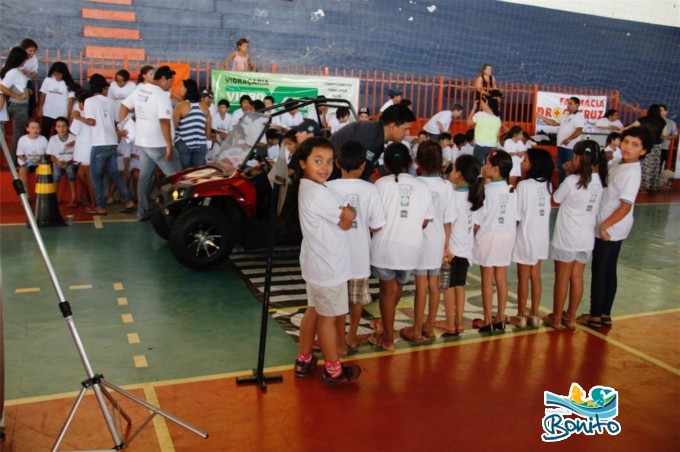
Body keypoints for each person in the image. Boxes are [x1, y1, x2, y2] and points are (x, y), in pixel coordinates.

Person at [293, 137, 362, 384]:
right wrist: (349, 213)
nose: (325, 167)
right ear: (303, 162)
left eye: (329, 161)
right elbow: (345, 221)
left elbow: (347, 212)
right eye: (317, 161)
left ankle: (304, 358)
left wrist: (349, 211)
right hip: (329, 266)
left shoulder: (313, 188)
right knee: (329, 318)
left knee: (314, 310)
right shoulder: (319, 195)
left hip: (317, 263)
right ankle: (333, 369)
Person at [579, 127, 650, 329]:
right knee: (608, 270)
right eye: (626, 141)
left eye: (635, 145)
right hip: (609, 225)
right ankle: (604, 314)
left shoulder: (632, 172)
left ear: (643, 151)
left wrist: (604, 226)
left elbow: (625, 206)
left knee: (601, 270)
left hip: (611, 227)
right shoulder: (619, 162)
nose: (627, 147)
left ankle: (595, 316)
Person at [369, 143, 432, 351]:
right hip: (411, 248)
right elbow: (425, 222)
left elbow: (374, 220)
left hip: (384, 247)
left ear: (386, 164)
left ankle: (387, 339)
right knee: (398, 286)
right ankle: (385, 327)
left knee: (387, 291)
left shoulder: (380, 185)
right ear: (410, 163)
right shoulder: (423, 187)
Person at [326, 140, 386, 354]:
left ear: (337, 164)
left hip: (335, 256)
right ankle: (351, 337)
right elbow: (377, 225)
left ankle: (338, 340)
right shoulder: (370, 189)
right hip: (360, 255)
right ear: (362, 166)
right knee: (357, 300)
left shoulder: (328, 187)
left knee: (338, 300)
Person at [545, 140, 607, 330]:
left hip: (567, 237)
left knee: (562, 278)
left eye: (575, 155)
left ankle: (556, 318)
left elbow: (556, 198)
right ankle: (570, 319)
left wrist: (569, 174)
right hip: (585, 238)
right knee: (577, 277)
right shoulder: (601, 181)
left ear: (580, 158)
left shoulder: (572, 181)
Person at [401, 140, 453, 342]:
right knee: (435, 284)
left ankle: (416, 329)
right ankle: (429, 327)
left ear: (417, 161)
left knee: (421, 284)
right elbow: (448, 221)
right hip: (439, 239)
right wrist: (446, 246)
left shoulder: (416, 184)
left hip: (420, 238)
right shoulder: (446, 186)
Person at [120, 66, 181, 221]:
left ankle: (143, 211)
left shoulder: (140, 90)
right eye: (170, 81)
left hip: (143, 142)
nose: (171, 85)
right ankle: (179, 212)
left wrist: (121, 126)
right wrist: (169, 144)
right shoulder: (161, 95)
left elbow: (124, 106)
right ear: (162, 79)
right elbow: (164, 121)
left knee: (144, 177)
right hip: (158, 144)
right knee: (177, 177)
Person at [434, 155, 483, 336]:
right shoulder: (474, 196)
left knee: (447, 286)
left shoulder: (453, 195)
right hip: (465, 249)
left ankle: (449, 322)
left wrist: (445, 247)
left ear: (459, 174)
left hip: (451, 249)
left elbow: (448, 223)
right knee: (460, 285)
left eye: (454, 169)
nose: (451, 172)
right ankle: (459, 322)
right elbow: (476, 225)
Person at [74, 74, 135, 216]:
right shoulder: (111, 102)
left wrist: (78, 117)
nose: (108, 90)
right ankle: (128, 200)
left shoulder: (89, 101)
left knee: (95, 176)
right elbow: (115, 123)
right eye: (107, 87)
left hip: (99, 143)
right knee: (115, 174)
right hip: (112, 142)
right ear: (103, 88)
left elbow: (92, 122)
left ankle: (100, 206)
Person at [472, 150, 517, 332]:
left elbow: (477, 221)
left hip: (488, 236)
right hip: (507, 236)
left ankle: (487, 319)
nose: (484, 166)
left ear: (495, 169)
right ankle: (500, 317)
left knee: (487, 278)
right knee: (501, 276)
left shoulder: (485, 190)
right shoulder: (512, 190)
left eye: (487, 163)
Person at [509, 149, 554, 328]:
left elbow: (517, 215)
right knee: (535, 275)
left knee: (523, 276)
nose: (521, 163)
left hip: (525, 235)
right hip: (541, 237)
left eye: (525, 160)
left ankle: (520, 315)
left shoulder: (523, 185)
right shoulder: (547, 185)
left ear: (534, 165)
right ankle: (534, 315)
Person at [330, 104, 416, 180]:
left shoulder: (374, 131)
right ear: (393, 126)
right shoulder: (370, 139)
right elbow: (358, 177)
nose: (406, 133)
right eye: (405, 129)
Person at [536, 96, 585, 183]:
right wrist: (542, 117)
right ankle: (562, 186)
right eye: (568, 103)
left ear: (577, 105)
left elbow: (579, 130)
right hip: (561, 146)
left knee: (570, 168)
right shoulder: (565, 115)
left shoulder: (579, 116)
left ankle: (570, 186)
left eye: (570, 103)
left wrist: (569, 139)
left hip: (570, 148)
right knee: (561, 168)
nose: (568, 105)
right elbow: (554, 123)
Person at [625, 104, 666, 192]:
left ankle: (641, 186)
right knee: (654, 165)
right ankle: (652, 185)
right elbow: (664, 135)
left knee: (644, 165)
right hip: (656, 147)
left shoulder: (644, 119)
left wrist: (620, 130)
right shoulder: (663, 122)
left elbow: (631, 126)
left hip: (646, 145)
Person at [0, 46, 30, 163]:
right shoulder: (13, 72)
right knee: (18, 134)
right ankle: (13, 161)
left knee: (20, 133)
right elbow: (2, 87)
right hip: (19, 106)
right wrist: (17, 96)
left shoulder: (16, 71)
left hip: (21, 105)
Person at [174, 79, 211, 169]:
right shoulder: (204, 106)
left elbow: (173, 127)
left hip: (184, 143)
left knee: (184, 173)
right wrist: (208, 142)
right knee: (197, 173)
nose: (180, 89)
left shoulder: (180, 106)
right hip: (201, 144)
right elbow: (208, 127)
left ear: (188, 89)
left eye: (182, 86)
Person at [37, 61, 78, 138]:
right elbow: (43, 94)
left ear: (64, 74)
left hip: (61, 114)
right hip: (47, 113)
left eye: (59, 74)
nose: (57, 76)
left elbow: (70, 101)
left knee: (59, 135)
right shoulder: (48, 79)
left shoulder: (68, 83)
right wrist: (40, 108)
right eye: (55, 74)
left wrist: (68, 115)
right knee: (45, 134)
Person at [71, 90, 95, 208]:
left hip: (85, 150)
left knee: (88, 179)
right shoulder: (94, 113)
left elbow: (74, 131)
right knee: (81, 175)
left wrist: (76, 117)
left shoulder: (79, 115)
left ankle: (94, 203)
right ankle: (88, 198)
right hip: (88, 148)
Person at [46, 116, 77, 207]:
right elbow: (52, 156)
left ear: (68, 127)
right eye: (59, 126)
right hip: (58, 162)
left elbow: (77, 155)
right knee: (56, 174)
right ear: (55, 128)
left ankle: (74, 198)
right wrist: (58, 163)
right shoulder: (53, 139)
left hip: (71, 162)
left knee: (70, 171)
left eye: (64, 126)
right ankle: (53, 198)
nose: (62, 129)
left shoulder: (74, 138)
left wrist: (68, 163)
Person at [16, 118, 48, 197]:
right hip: (27, 163)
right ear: (27, 129)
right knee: (22, 171)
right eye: (32, 128)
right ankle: (26, 196)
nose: (35, 130)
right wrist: (27, 162)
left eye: (37, 128)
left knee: (39, 171)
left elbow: (47, 154)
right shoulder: (22, 139)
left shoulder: (43, 139)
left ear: (40, 129)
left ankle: (39, 195)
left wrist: (40, 159)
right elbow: (19, 154)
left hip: (39, 163)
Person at [467, 95, 501, 165]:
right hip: (493, 147)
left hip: (480, 146)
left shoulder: (480, 114)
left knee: (478, 165)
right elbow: (498, 134)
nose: (481, 105)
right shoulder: (497, 118)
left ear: (486, 103)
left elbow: (468, 123)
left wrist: (473, 109)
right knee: (490, 165)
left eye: (482, 103)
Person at [660, 104, 678, 172]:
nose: (659, 112)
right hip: (651, 147)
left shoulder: (671, 123)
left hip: (663, 148)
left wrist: (666, 137)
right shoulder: (652, 121)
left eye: (661, 110)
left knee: (660, 166)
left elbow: (675, 135)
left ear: (666, 112)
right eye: (658, 110)